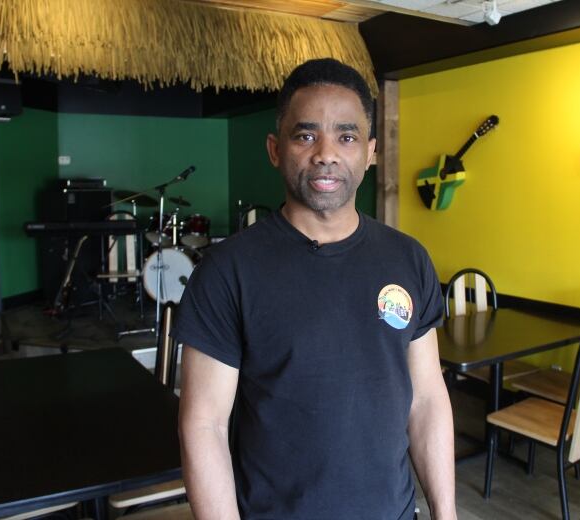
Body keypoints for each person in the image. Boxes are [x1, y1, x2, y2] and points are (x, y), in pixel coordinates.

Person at [174, 58, 456, 520]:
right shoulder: (228, 271)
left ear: (370, 152)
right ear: (275, 149)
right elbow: (203, 425)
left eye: (346, 137)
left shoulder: (408, 259)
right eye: (306, 135)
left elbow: (426, 398)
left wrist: (446, 514)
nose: (326, 153)